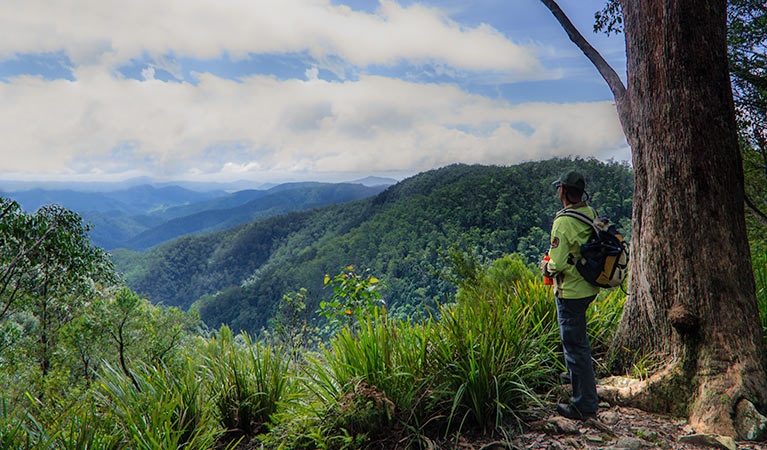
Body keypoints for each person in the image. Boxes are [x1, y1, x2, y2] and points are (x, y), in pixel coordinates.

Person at [541, 170, 600, 421]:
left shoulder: (562, 222)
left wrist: (545, 267)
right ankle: (575, 377)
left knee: (575, 346)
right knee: (579, 341)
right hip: (588, 287)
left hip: (571, 291)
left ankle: (584, 405)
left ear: (563, 190)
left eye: (559, 189)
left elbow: (558, 263)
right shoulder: (589, 213)